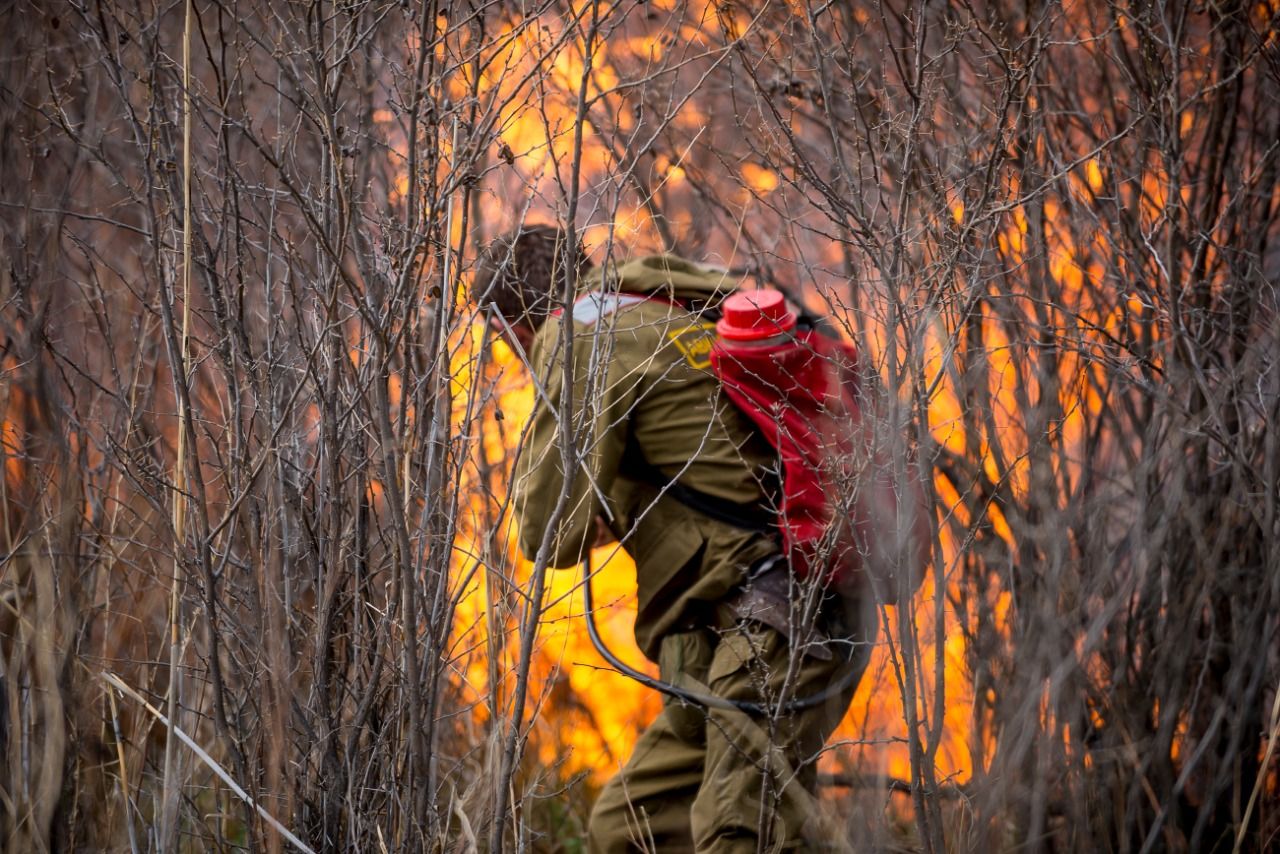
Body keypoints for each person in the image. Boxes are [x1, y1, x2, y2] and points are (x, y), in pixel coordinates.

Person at [474, 224, 871, 853]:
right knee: (632, 826)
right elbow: (701, 463)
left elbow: (547, 530)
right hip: (756, 620)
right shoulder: (665, 306)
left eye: (502, 343)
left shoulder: (577, 336)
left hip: (775, 616)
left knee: (738, 833)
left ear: (510, 325)